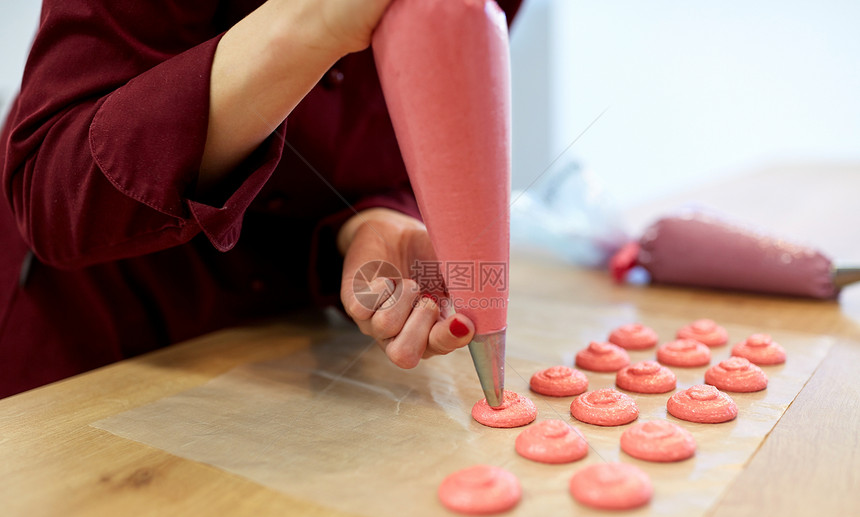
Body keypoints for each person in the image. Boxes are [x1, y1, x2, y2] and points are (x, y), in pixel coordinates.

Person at [0, 0, 522, 398]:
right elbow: (53, 194)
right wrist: (309, 25)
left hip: (293, 361)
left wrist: (376, 217)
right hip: (95, 357)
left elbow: (424, 125)